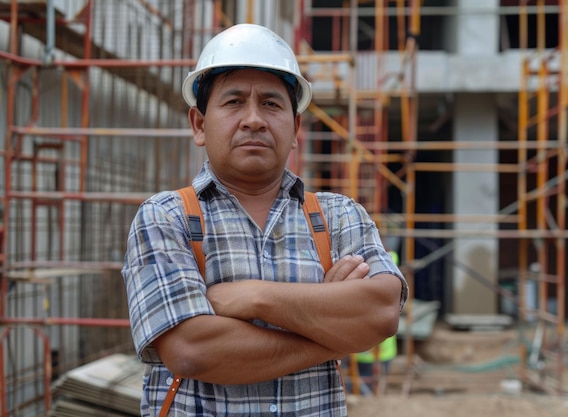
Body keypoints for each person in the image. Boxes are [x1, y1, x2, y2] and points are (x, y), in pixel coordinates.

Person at [122, 23, 407, 417]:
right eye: (234, 101)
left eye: (271, 104)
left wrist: (253, 296)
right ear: (199, 125)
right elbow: (193, 351)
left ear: (295, 129)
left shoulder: (339, 217)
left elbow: (381, 313)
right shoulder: (165, 218)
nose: (253, 119)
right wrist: (334, 335)